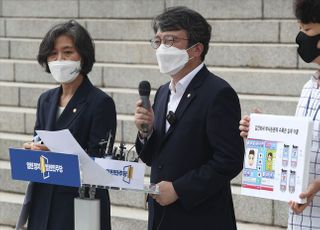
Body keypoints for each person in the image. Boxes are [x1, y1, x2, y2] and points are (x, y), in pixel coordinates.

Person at [134, 6, 244, 230]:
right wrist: (146, 132)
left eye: (171, 40)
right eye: (159, 41)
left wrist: (179, 189)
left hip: (200, 217)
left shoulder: (218, 93)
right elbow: (153, 156)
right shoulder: (164, 91)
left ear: (196, 49)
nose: (163, 48)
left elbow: (229, 160)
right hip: (161, 216)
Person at [16, 20, 116, 230]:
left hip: (79, 204)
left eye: (68, 52)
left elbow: (100, 162)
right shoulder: (46, 99)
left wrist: (57, 153)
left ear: (83, 56)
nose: (59, 60)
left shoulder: (100, 102)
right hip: (43, 199)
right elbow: (39, 140)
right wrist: (33, 150)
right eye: (53, 54)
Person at [239, 0, 320, 228]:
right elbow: (300, 145)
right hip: (301, 217)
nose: (301, 38)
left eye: (307, 30)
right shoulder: (309, 87)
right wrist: (261, 133)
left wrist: (317, 185)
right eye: (299, 29)